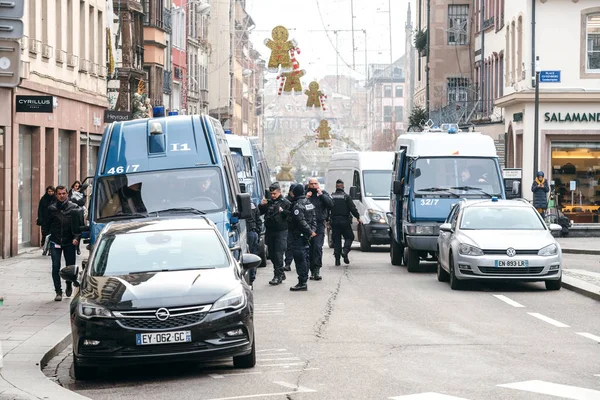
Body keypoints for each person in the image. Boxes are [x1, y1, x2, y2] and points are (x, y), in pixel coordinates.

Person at [44, 185, 82, 301]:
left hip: (69, 241)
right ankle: (58, 291)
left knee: (70, 267)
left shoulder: (74, 208)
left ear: (67, 194)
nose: (61, 196)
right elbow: (47, 224)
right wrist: (47, 236)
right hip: (55, 241)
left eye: (63, 193)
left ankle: (69, 284)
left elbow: (79, 226)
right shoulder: (51, 208)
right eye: (59, 194)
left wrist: (76, 238)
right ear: (56, 195)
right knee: (55, 266)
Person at [259, 182, 291, 286]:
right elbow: (260, 212)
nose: (273, 196)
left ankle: (277, 275)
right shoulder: (268, 202)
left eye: (274, 194)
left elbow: (291, 216)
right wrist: (261, 205)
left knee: (278, 253)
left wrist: (283, 211)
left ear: (279, 192)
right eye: (271, 194)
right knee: (272, 254)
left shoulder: (285, 202)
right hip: (270, 231)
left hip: (281, 231)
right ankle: (281, 272)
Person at [288, 184, 317, 291]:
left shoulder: (297, 205)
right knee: (305, 258)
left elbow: (300, 221)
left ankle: (302, 282)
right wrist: (312, 231)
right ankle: (303, 280)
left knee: (300, 259)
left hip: (299, 236)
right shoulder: (309, 203)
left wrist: (310, 231)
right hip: (307, 236)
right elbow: (314, 218)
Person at [306, 178, 333, 281]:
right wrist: (306, 197)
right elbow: (298, 206)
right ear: (308, 185)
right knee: (309, 248)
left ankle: (316, 269)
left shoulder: (323, 194)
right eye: (311, 184)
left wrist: (321, 194)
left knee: (317, 247)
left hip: (319, 224)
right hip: (307, 225)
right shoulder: (306, 194)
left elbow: (331, 204)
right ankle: (311, 269)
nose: (313, 186)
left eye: (315, 184)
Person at [330, 179, 362, 266]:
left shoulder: (331, 196)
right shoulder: (346, 197)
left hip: (334, 221)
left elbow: (327, 209)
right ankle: (345, 250)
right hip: (345, 221)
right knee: (350, 236)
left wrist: (327, 220)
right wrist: (358, 217)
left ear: (336, 186)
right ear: (343, 186)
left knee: (336, 240)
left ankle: (337, 260)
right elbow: (353, 208)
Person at [245, 200, 263, 288]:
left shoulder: (238, 204)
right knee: (252, 257)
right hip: (253, 232)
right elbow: (259, 220)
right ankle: (251, 279)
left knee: (248, 257)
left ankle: (250, 279)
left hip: (248, 233)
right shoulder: (252, 204)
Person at [283, 183, 298, 271]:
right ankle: (288, 263)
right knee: (289, 246)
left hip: (299, 226)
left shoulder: (299, 200)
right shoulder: (286, 201)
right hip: (289, 226)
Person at [37, 185, 55, 255]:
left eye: (52, 191)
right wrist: (40, 218)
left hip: (53, 220)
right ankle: (45, 248)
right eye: (49, 191)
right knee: (45, 234)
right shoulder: (43, 199)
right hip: (45, 220)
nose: (50, 193)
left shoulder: (55, 199)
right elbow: (40, 210)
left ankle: (51, 249)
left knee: (52, 235)